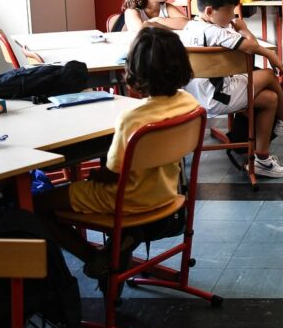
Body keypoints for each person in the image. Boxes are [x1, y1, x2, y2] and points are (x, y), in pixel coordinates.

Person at [33, 27, 198, 280]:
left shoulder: (133, 119)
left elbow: (112, 175)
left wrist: (92, 177)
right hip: (166, 193)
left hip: (128, 200)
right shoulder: (190, 104)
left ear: (134, 70)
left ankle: (96, 258)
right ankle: (121, 243)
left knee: (34, 205)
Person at [179, 0, 283, 178]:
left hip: (194, 98)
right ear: (209, 11)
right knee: (267, 74)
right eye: (229, 11)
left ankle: (262, 161)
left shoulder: (190, 27)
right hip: (218, 96)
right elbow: (252, 47)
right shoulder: (216, 32)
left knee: (270, 99)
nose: (232, 15)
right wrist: (245, 30)